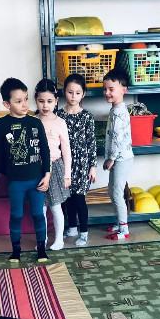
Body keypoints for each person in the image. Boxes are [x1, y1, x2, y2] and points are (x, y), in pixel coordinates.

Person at [0, 78, 52, 264]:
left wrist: (47, 175)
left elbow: (45, 150)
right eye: (18, 101)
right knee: (16, 215)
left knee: (38, 214)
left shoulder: (36, 123)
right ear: (7, 104)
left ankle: (41, 248)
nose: (24, 104)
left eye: (26, 99)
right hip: (15, 182)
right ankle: (16, 250)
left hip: (37, 180)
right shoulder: (1, 123)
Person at [58, 73, 97, 247]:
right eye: (70, 92)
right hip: (64, 164)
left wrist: (92, 166)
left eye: (77, 93)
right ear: (64, 92)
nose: (73, 96)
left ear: (83, 94)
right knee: (67, 198)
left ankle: (84, 232)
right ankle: (72, 227)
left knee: (79, 198)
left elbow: (91, 143)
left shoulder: (87, 116)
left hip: (82, 164)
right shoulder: (59, 115)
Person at [34, 79, 72, 251]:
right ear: (36, 100)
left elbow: (66, 151)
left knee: (56, 207)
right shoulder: (32, 121)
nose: (45, 105)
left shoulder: (60, 122)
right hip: (36, 168)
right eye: (41, 101)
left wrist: (67, 175)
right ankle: (42, 239)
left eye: (49, 101)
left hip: (55, 168)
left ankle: (59, 239)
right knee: (40, 208)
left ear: (56, 101)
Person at [102, 68, 134, 241]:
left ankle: (124, 229)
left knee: (116, 193)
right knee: (112, 190)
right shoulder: (115, 109)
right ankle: (119, 222)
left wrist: (111, 159)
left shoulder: (119, 112)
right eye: (105, 89)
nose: (107, 92)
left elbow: (117, 139)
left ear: (123, 90)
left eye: (111, 89)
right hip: (117, 158)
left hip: (121, 159)